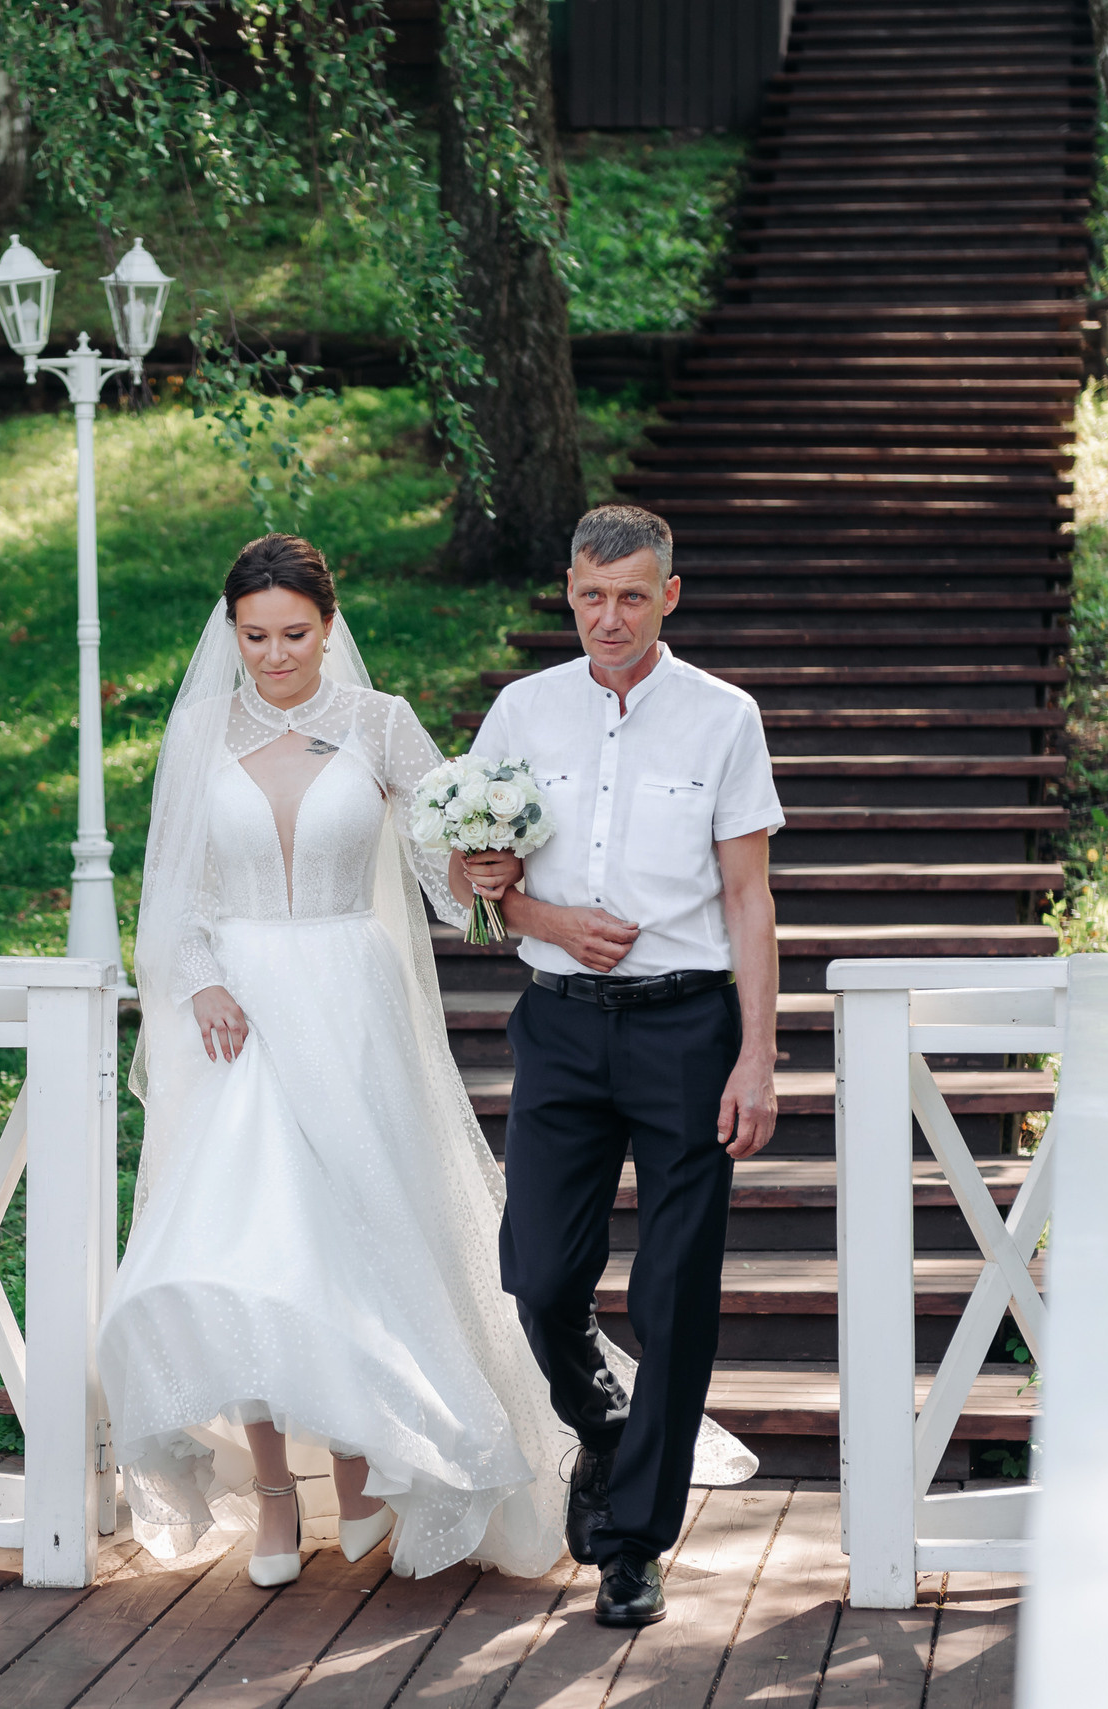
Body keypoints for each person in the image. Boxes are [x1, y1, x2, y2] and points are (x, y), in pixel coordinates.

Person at [99, 533, 755, 1590]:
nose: (273, 654)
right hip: (237, 1016)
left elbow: (451, 871)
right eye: (255, 634)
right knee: (237, 1243)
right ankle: (274, 1486)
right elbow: (172, 895)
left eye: (295, 633)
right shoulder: (198, 732)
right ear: (230, 631)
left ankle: (366, 1466)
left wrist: (497, 879)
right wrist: (197, 980)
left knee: (356, 1233)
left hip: (350, 1002)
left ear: (329, 625)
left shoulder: (379, 724)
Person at [462, 503, 783, 1627]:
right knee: (538, 1274)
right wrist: (548, 912)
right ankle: (604, 1427)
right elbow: (474, 886)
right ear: (567, 590)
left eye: (633, 596)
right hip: (557, 1021)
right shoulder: (520, 711)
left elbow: (748, 895)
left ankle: (633, 1537)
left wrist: (756, 1052)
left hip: (687, 1029)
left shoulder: (722, 718)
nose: (610, 617)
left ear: (669, 596)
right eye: (592, 597)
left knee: (674, 1289)